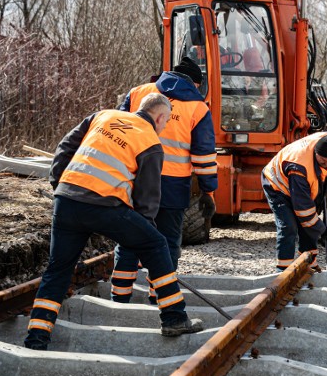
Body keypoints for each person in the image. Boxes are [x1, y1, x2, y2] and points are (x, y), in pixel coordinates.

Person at [24, 94, 204, 350]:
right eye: (165, 123)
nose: (164, 128)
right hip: (105, 206)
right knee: (156, 244)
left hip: (67, 200)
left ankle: (36, 337)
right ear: (160, 116)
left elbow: (65, 147)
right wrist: (144, 234)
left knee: (57, 271)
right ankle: (174, 317)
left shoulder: (102, 116)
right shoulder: (150, 140)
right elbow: (148, 198)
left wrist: (59, 184)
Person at [110, 57, 218, 303]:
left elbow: (116, 129)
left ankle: (119, 297)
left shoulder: (139, 93)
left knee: (130, 238)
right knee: (168, 243)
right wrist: (207, 191)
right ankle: (159, 297)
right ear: (196, 83)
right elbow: (204, 155)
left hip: (135, 179)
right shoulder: (198, 107)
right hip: (172, 186)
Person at [261, 132, 327, 271]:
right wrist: (321, 229)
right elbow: (303, 210)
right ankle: (283, 270)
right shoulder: (299, 165)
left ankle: (308, 261)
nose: (326, 165)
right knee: (289, 226)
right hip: (277, 185)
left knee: (311, 221)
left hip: (301, 185)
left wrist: (317, 214)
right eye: (323, 161)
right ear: (316, 152)